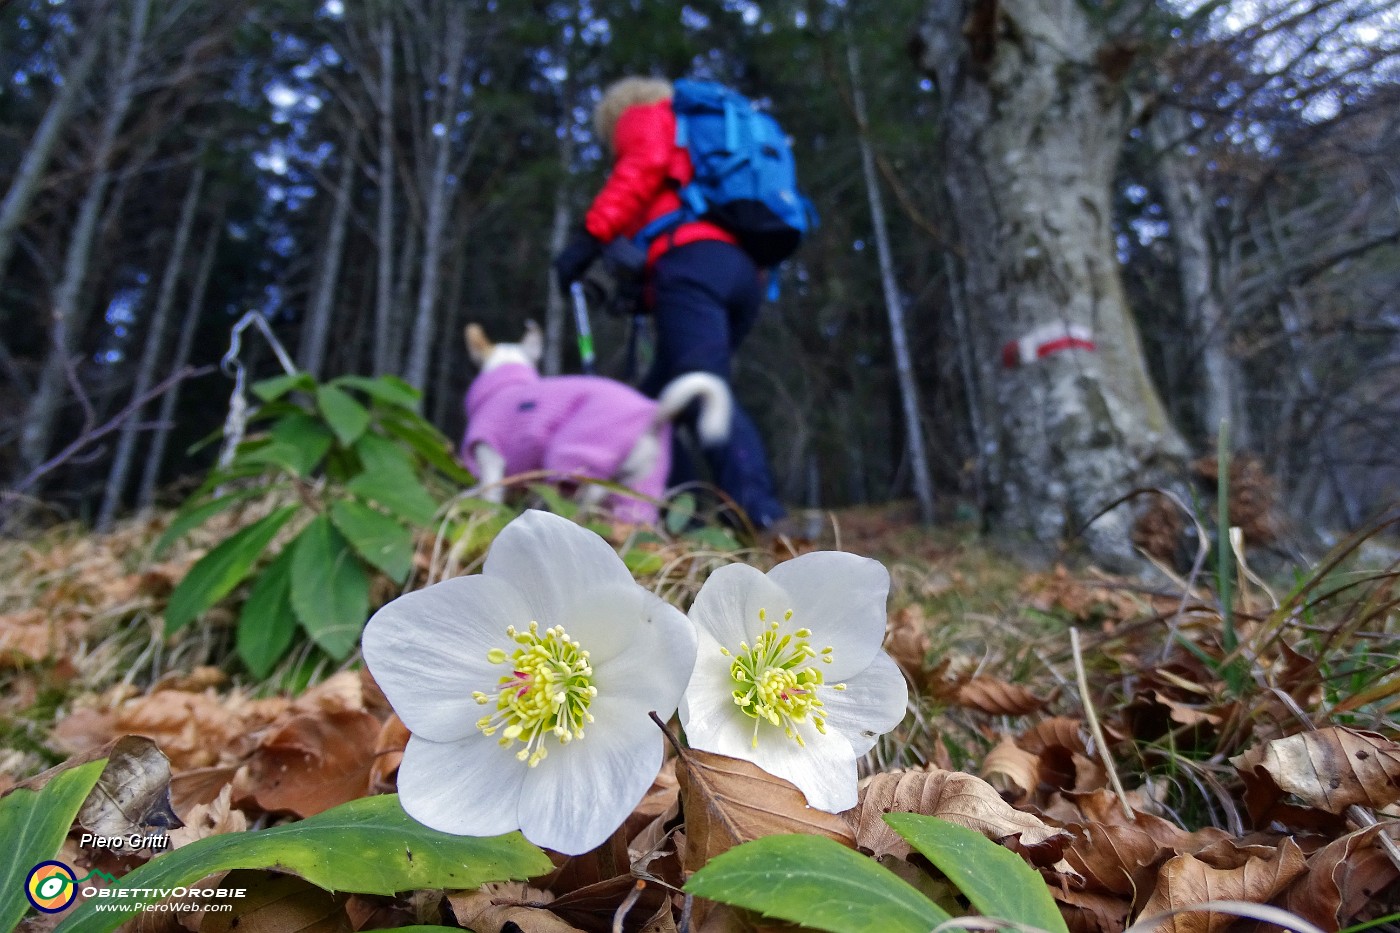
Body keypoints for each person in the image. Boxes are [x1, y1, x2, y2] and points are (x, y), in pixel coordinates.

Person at [553, 76, 786, 530]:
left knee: (702, 389)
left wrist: (588, 238)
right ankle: (682, 517)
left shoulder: (645, 117)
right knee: (653, 407)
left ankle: (759, 515)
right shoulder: (697, 145)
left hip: (693, 265)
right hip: (740, 275)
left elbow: (642, 167)